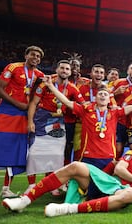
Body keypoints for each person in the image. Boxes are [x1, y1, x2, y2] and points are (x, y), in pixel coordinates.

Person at [41, 74, 132, 171]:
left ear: (108, 99)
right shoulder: (85, 110)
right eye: (100, 94)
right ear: (95, 98)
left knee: (104, 191)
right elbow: (66, 101)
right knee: (84, 191)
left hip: (108, 157)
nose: (102, 95)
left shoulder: (115, 113)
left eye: (105, 94)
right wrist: (51, 86)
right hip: (88, 156)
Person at [25, 60, 84, 195]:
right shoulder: (46, 83)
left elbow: (83, 105)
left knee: (56, 155)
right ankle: (31, 185)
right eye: (62, 68)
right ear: (56, 70)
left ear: (70, 72)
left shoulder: (73, 88)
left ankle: (52, 185)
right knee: (34, 152)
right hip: (41, 119)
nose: (64, 71)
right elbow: (34, 103)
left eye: (67, 69)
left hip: (58, 122)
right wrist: (30, 122)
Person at [2, 161, 132, 217]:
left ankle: (68, 209)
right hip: (108, 182)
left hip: (120, 190)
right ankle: (24, 201)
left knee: (130, 194)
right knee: (75, 166)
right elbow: (118, 168)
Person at [0, 45, 45, 198]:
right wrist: (17, 104)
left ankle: (23, 186)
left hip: (26, 115)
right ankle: (6, 188)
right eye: (33, 54)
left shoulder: (39, 74)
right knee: (8, 148)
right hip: (8, 112)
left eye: (38, 56)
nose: (35, 58)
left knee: (25, 150)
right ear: (26, 55)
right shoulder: (13, 67)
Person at [111, 62, 132, 158]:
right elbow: (106, 96)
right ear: (128, 71)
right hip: (119, 121)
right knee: (118, 149)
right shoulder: (118, 82)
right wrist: (116, 92)